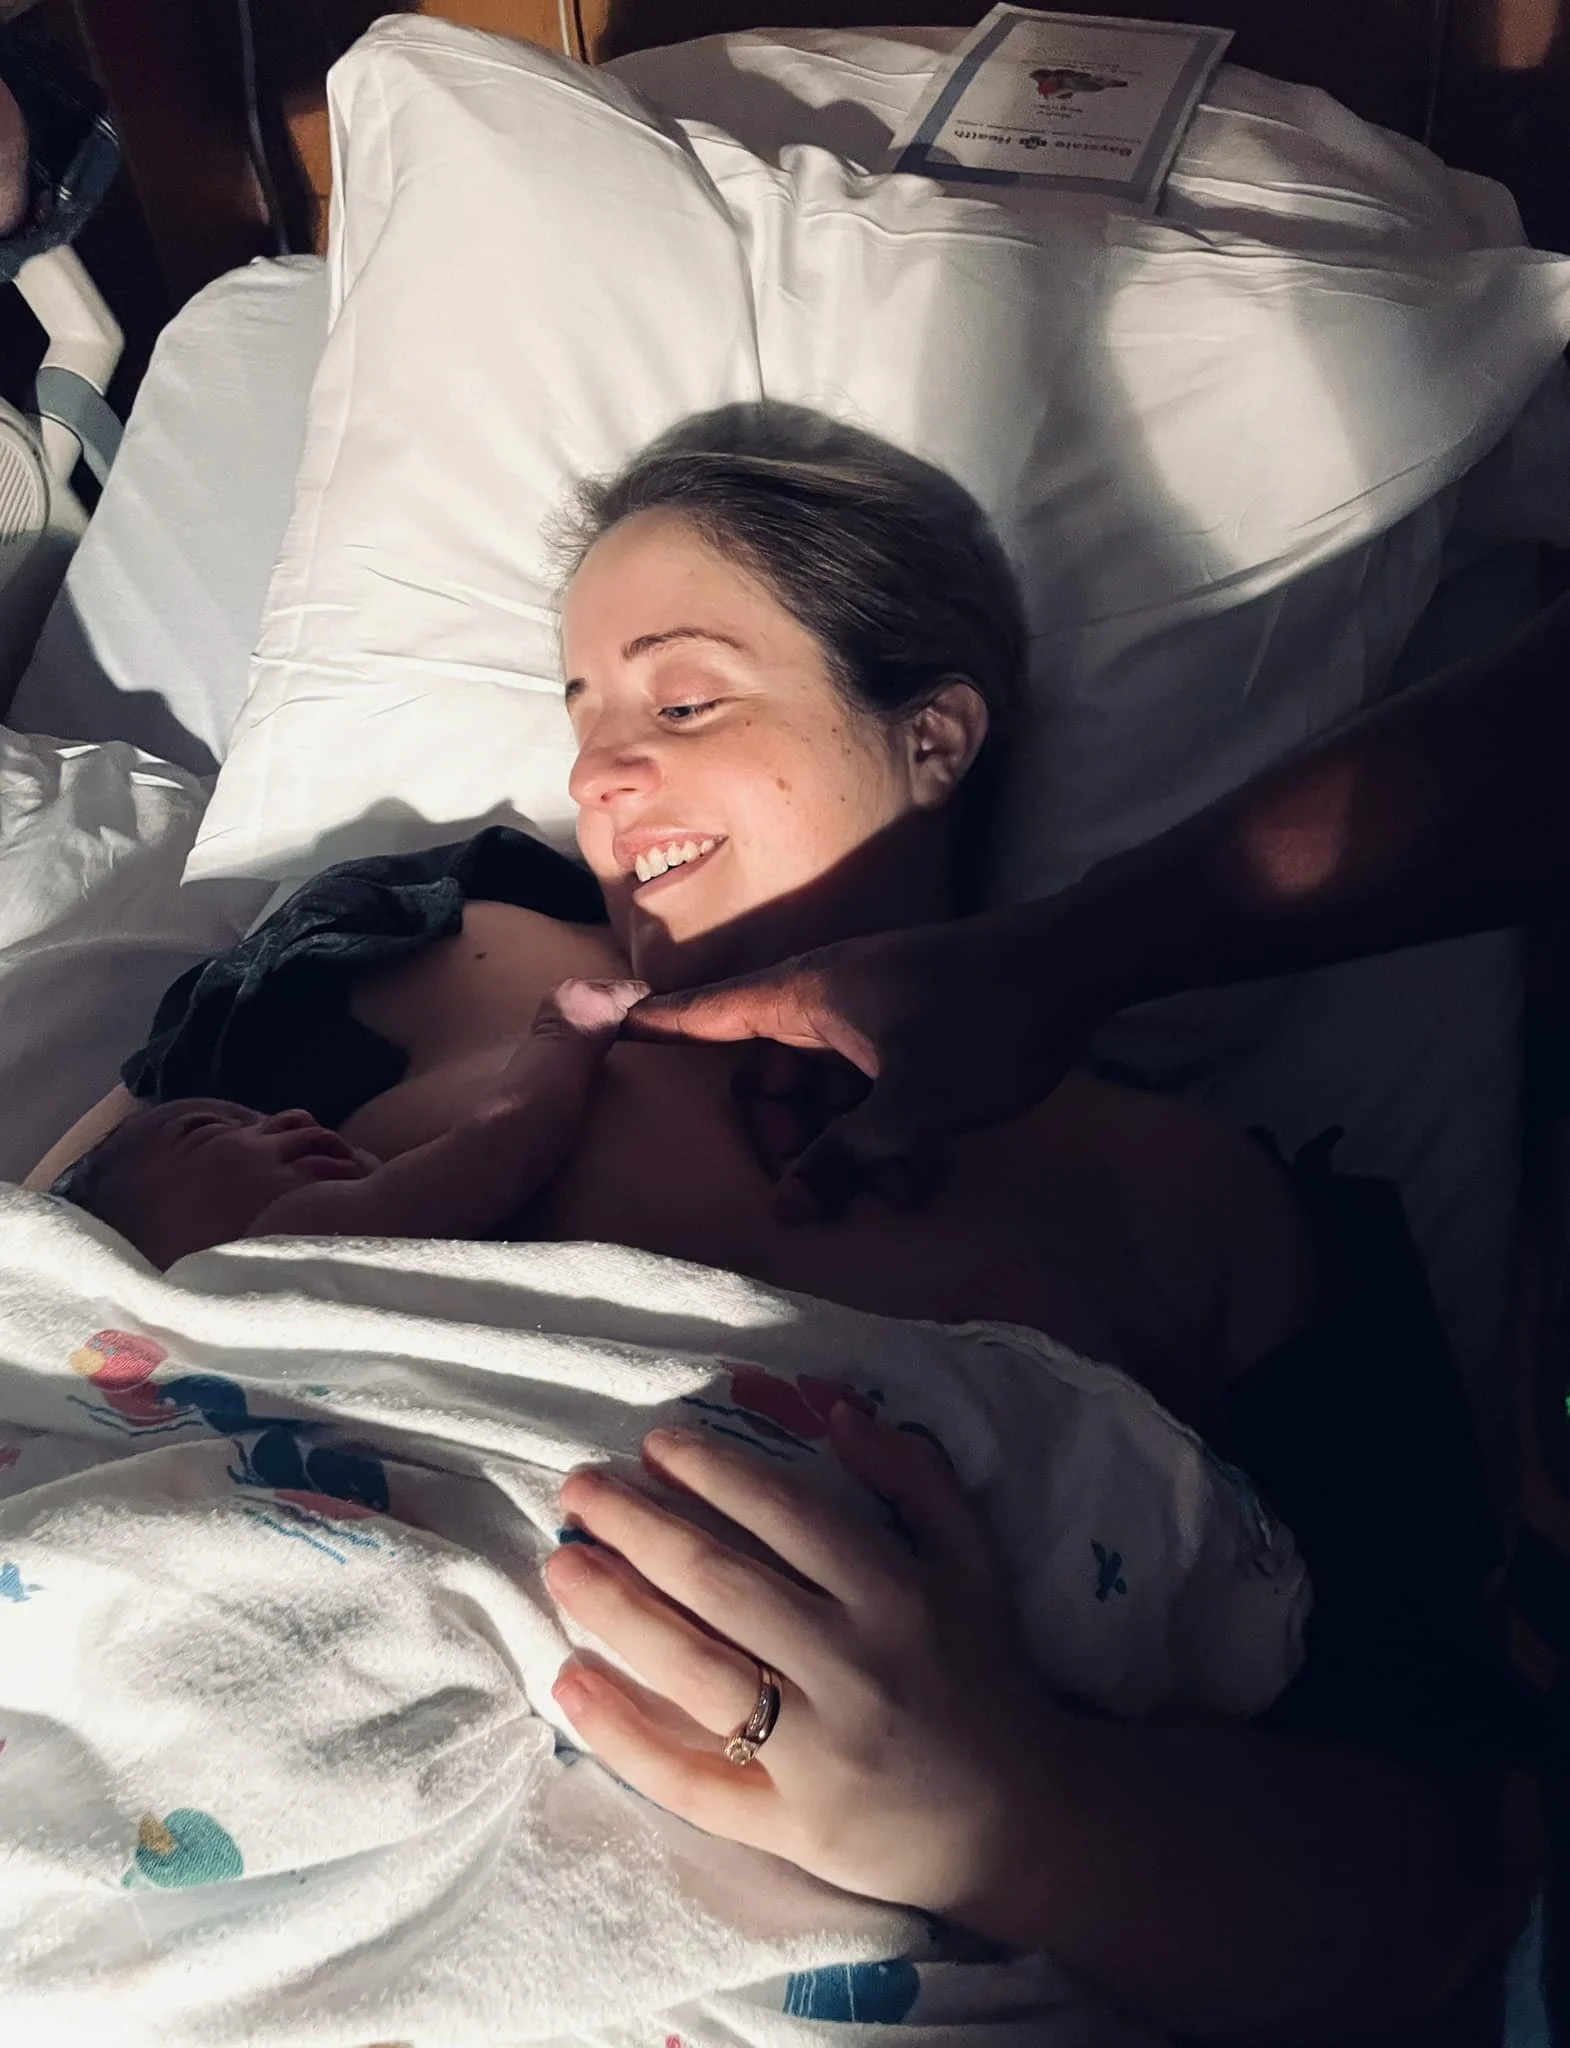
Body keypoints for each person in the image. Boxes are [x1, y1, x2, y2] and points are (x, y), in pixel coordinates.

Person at [26, 405, 1508, 2041]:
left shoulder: (1208, 1206)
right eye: (579, 712)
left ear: (933, 737)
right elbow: (65, 1291)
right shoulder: (417, 951)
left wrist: (1022, 1810)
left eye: (683, 700)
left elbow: (1435, 1904)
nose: (597, 774)